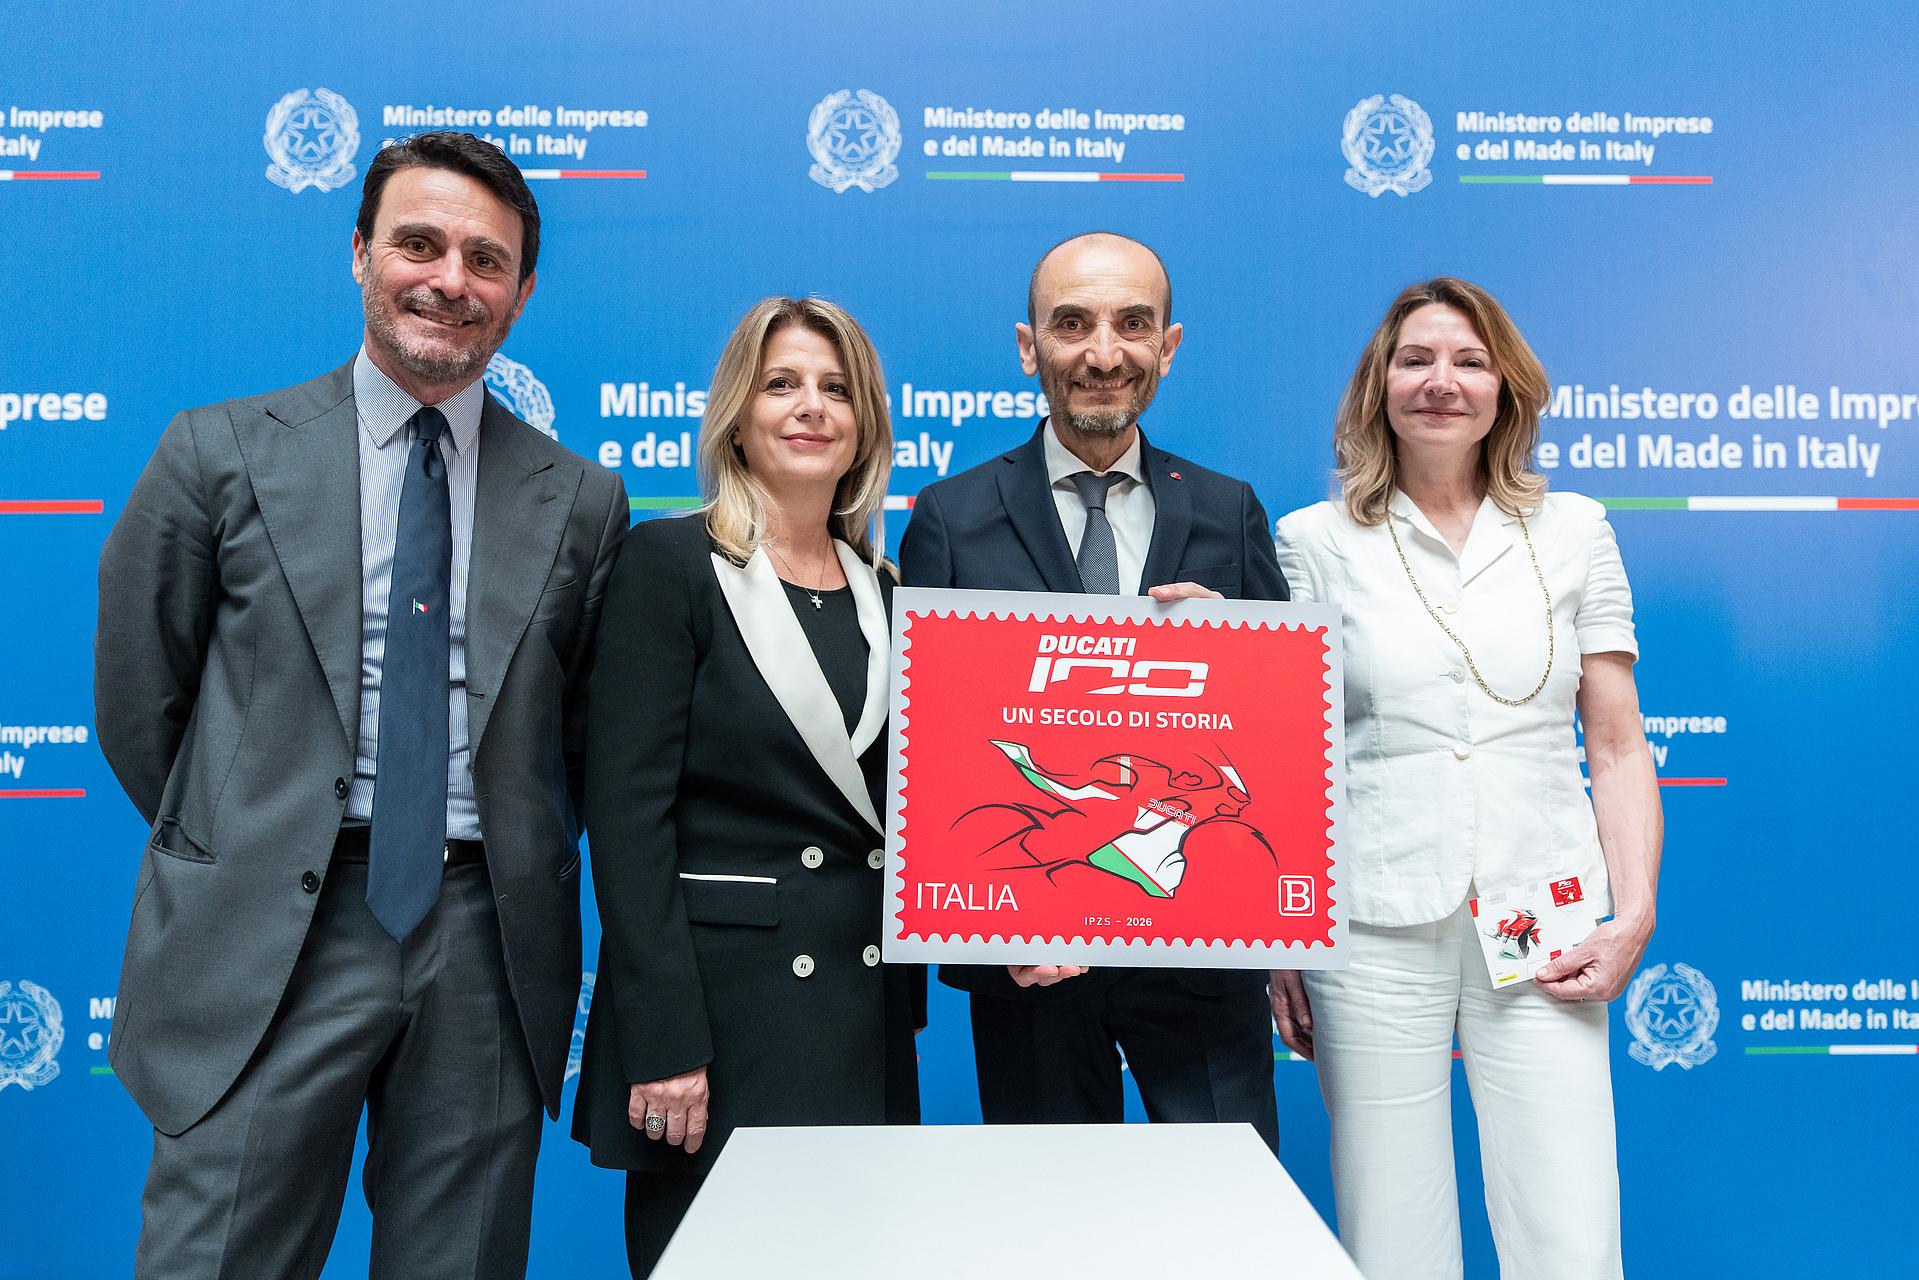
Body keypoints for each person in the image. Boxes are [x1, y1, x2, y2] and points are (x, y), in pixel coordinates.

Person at [93, 131, 629, 1280]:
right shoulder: (218, 452)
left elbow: (580, 741)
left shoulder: (582, 500)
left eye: (486, 260)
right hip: (267, 928)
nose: (450, 279)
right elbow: (143, 699)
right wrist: (253, 831)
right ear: (358, 252)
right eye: (418, 244)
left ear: (522, 292)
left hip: (487, 939)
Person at [1271, 277, 1662, 1278]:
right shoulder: (1312, 541)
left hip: (1543, 915)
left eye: (1467, 361)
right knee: (1390, 1228)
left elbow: (1617, 745)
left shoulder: (1574, 529)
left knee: (1567, 1223)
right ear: (1379, 385)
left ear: (1504, 388)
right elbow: (1289, 753)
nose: (1439, 381)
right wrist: (1281, 940)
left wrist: (1631, 913)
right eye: (1414, 360)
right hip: (1369, 922)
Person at [898, 231, 1288, 1153]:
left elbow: (1278, 742)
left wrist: (1235, 663)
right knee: (1047, 1213)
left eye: (1132, 325)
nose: (1103, 354)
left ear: (1168, 346)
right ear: (1028, 346)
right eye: (1072, 324)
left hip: (1202, 956)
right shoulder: (952, 516)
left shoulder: (1228, 510)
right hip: (1030, 959)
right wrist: (989, 932)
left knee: (1224, 1212)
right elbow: (924, 748)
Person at [572, 297, 921, 1276]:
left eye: (836, 388)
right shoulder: (669, 563)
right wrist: (662, 1037)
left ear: (864, 425)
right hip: (718, 1025)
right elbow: (626, 818)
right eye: (781, 384)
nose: (810, 406)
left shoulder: (889, 592)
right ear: (736, 418)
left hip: (860, 1011)